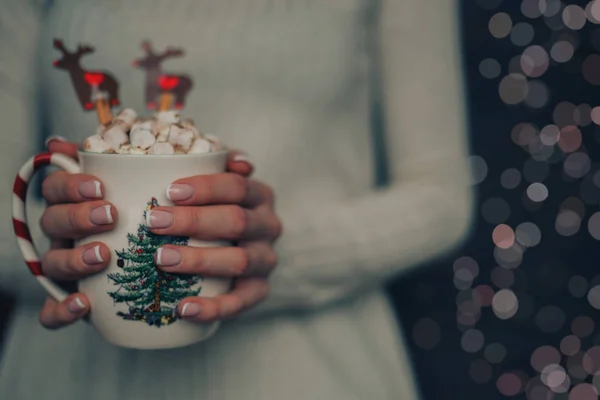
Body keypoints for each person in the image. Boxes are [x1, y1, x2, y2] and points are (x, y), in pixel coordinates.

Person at [0, 1, 473, 399]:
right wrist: (72, 257)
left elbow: (441, 196)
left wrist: (263, 255)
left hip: (305, 374)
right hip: (74, 374)